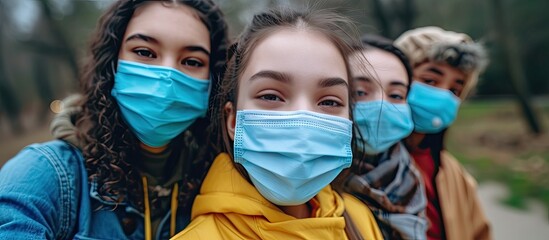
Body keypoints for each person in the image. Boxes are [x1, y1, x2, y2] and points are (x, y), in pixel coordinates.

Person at [0, 0, 228, 239]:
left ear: (213, 80)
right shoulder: (45, 173)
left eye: (192, 62)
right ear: (112, 64)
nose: (168, 78)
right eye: (144, 52)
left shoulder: (225, 181)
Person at [171, 7, 382, 240]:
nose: (303, 119)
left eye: (330, 101)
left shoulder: (359, 219)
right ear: (232, 120)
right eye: (271, 96)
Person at [394, 26, 492, 240]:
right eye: (430, 81)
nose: (442, 94)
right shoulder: (364, 167)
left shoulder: (454, 174)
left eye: (455, 90)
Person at [334, 34, 427, 239]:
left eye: (396, 95)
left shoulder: (408, 179)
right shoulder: (309, 184)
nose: (382, 105)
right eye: (360, 92)